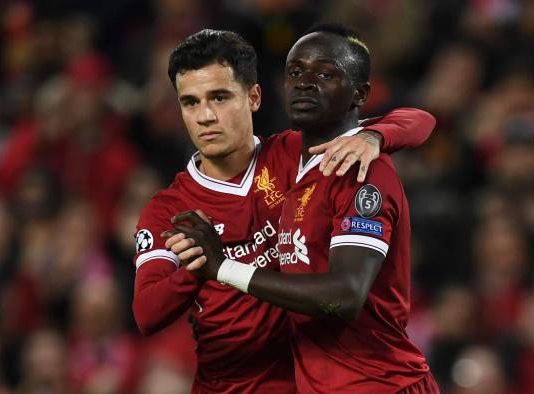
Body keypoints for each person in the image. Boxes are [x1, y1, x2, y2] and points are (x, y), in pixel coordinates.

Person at [133, 29, 435, 393]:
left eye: (220, 97)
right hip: (231, 385)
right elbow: (146, 313)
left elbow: (420, 120)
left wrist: (375, 135)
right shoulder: (172, 207)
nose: (206, 116)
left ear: (254, 97)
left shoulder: (299, 155)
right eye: (190, 102)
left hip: (313, 378)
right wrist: (199, 269)